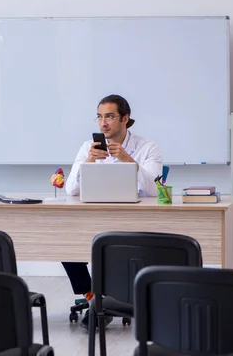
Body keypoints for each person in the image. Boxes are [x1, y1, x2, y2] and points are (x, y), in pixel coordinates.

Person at [62, 94, 163, 328]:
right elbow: (71, 190)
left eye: (109, 116)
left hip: (133, 221)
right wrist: (87, 162)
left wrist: (128, 161)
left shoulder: (148, 148)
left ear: (125, 118)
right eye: (99, 117)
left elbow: (154, 190)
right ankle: (92, 298)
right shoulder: (89, 147)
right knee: (65, 241)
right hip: (94, 219)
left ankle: (113, 300)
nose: (103, 123)